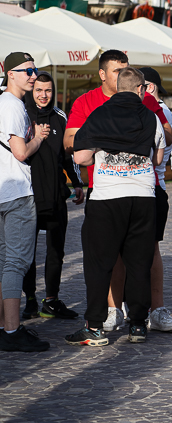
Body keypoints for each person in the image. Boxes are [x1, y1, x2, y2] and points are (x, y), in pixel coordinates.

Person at [63, 50, 172, 333]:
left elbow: (79, 157)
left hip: (107, 196)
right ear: (139, 89)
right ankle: (138, 325)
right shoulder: (150, 116)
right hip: (143, 195)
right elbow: (159, 158)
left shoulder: (98, 113)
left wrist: (101, 154)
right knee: (139, 262)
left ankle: (96, 326)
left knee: (100, 263)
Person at [21, 72, 84, 322]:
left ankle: (51, 300)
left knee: (56, 250)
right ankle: (30, 300)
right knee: (27, 252)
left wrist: (77, 182)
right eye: (38, 90)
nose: (43, 95)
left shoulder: (60, 116)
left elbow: (68, 154)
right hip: (29, 194)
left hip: (57, 193)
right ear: (31, 90)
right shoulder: (23, 115)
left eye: (48, 90)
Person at [0, 53, 51, 352]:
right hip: (17, 191)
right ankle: (12, 330)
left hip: (3, 190)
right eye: (28, 71)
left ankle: (4, 327)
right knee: (16, 263)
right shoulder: (14, 105)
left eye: (35, 70)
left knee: (4, 261)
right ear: (11, 73)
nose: (33, 76)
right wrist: (39, 138)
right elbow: (20, 152)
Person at [138, 67, 172, 333]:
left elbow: (164, 147)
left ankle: (155, 309)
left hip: (153, 186)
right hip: (130, 186)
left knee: (150, 249)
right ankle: (121, 308)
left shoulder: (160, 112)